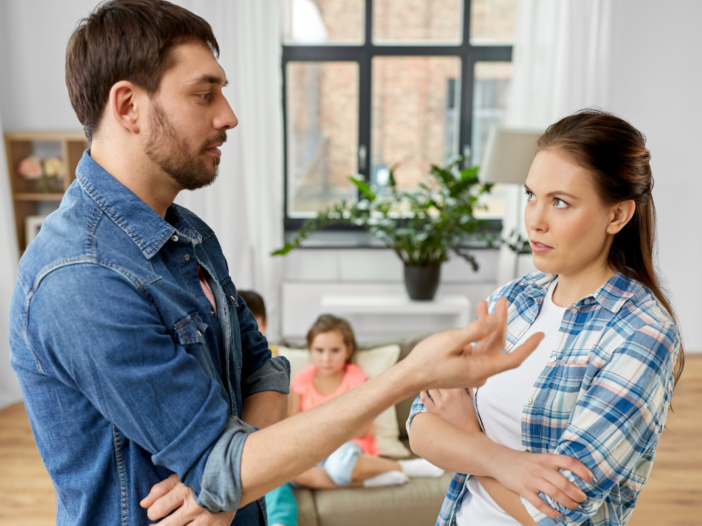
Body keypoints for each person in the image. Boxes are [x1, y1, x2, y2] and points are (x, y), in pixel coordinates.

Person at [8, 1, 544, 525]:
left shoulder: (189, 234)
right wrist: (408, 375)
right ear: (128, 107)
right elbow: (227, 467)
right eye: (204, 94)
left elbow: (264, 368)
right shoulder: (81, 278)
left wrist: (228, 478)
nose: (229, 116)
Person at [407, 110, 684, 526]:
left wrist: (466, 438)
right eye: (531, 195)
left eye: (560, 202)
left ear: (617, 216)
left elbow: (556, 514)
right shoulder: (513, 300)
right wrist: (502, 461)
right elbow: (420, 425)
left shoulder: (641, 334)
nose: (535, 220)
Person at [290, 315, 445, 490]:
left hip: (346, 446)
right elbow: (292, 426)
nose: (326, 358)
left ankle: (404, 467)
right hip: (312, 450)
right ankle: (369, 481)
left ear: (348, 351)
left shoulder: (354, 378)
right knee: (293, 475)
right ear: (310, 350)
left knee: (339, 466)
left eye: (334, 350)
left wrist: (323, 436)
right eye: (319, 350)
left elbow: (362, 428)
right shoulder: (301, 382)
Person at [238, 290, 299, 526]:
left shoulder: (273, 359)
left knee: (274, 483)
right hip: (242, 442)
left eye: (254, 325)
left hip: (271, 438)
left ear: (264, 323)